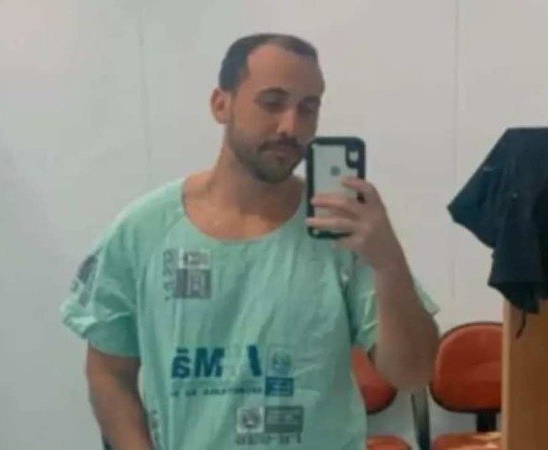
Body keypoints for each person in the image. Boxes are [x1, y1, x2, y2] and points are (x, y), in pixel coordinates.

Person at [60, 33, 440, 450]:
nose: (291, 127)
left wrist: (388, 261)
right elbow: (109, 371)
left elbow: (413, 373)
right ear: (220, 104)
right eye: (272, 102)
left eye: (308, 108)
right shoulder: (142, 231)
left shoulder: (341, 231)